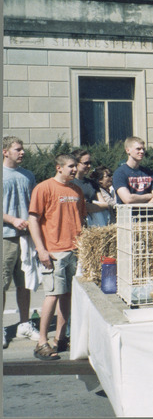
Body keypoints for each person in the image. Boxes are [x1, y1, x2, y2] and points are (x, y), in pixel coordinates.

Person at [28, 154, 86, 360]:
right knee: (52, 295)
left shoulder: (77, 190)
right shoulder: (44, 188)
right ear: (59, 168)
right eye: (70, 166)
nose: (74, 170)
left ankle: (60, 339)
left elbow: (81, 218)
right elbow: (33, 219)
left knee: (66, 295)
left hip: (74, 250)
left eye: (75, 166)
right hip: (54, 251)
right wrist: (41, 249)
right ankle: (41, 342)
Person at [2, 136, 40, 348]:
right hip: (5, 238)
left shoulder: (28, 175)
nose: (22, 152)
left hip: (26, 239)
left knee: (24, 284)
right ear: (5, 152)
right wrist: (13, 219)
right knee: (2, 284)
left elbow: (34, 206)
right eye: (17, 149)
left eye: (22, 149)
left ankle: (24, 324)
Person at [112, 137, 153, 204]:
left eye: (143, 149)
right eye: (138, 149)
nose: (142, 152)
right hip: (128, 214)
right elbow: (128, 199)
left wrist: (144, 207)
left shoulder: (149, 173)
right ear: (128, 150)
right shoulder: (120, 173)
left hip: (148, 214)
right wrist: (149, 196)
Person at [71, 149, 107, 227]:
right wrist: (89, 206)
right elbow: (79, 206)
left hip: (93, 225)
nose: (89, 166)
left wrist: (88, 206)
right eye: (86, 163)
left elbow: (105, 204)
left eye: (90, 163)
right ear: (76, 164)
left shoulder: (92, 183)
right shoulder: (70, 184)